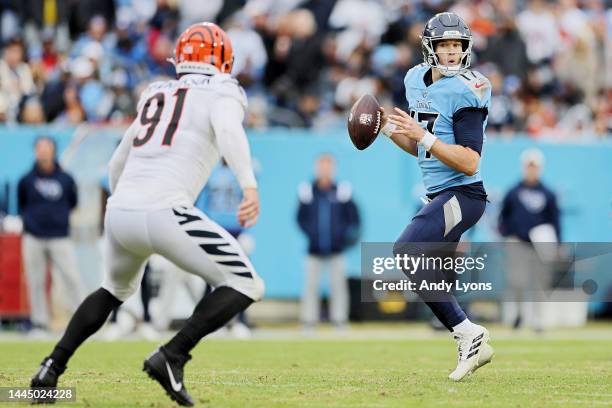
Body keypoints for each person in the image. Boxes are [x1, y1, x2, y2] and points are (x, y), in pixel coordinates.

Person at [30, 22, 265, 406]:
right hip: (165, 209)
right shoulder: (224, 90)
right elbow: (227, 129)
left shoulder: (158, 92)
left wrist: (123, 201)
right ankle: (172, 354)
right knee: (246, 283)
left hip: (121, 210)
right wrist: (248, 183)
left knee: (111, 291)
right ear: (222, 60)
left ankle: (49, 369)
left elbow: (116, 163)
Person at [380, 12, 494, 381]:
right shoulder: (414, 78)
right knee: (429, 277)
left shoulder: (467, 88)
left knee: (406, 251)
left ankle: (470, 333)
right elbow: (424, 151)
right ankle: (472, 342)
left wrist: (422, 135)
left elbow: (468, 160)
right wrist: (387, 131)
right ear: (430, 47)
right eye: (444, 44)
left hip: (464, 193)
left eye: (457, 45)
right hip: (438, 194)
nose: (451, 52)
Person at [18, 136, 85, 334]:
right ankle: (39, 322)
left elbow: (72, 202)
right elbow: (23, 204)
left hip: (60, 237)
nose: (44, 152)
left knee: (71, 278)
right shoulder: (26, 180)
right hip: (34, 237)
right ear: (35, 151)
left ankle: (83, 322)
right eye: (40, 148)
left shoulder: (66, 179)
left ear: (54, 151)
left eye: (47, 148)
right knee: (35, 281)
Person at [498, 148, 561, 330]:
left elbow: (554, 219)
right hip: (518, 241)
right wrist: (507, 234)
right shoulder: (513, 192)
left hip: (540, 244)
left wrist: (557, 243)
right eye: (529, 166)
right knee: (517, 280)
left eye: (535, 166)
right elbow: (504, 216)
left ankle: (538, 319)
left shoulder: (548, 194)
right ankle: (519, 313)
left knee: (540, 283)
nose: (532, 170)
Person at [297, 154, 360, 329]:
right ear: (316, 168)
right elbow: (300, 218)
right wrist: (312, 235)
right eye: (321, 166)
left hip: (336, 249)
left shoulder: (342, 191)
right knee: (310, 286)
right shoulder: (307, 191)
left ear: (333, 169)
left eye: (328, 167)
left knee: (338, 286)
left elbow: (353, 218)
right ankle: (308, 321)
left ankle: (339, 320)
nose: (324, 170)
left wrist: (343, 236)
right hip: (314, 249)